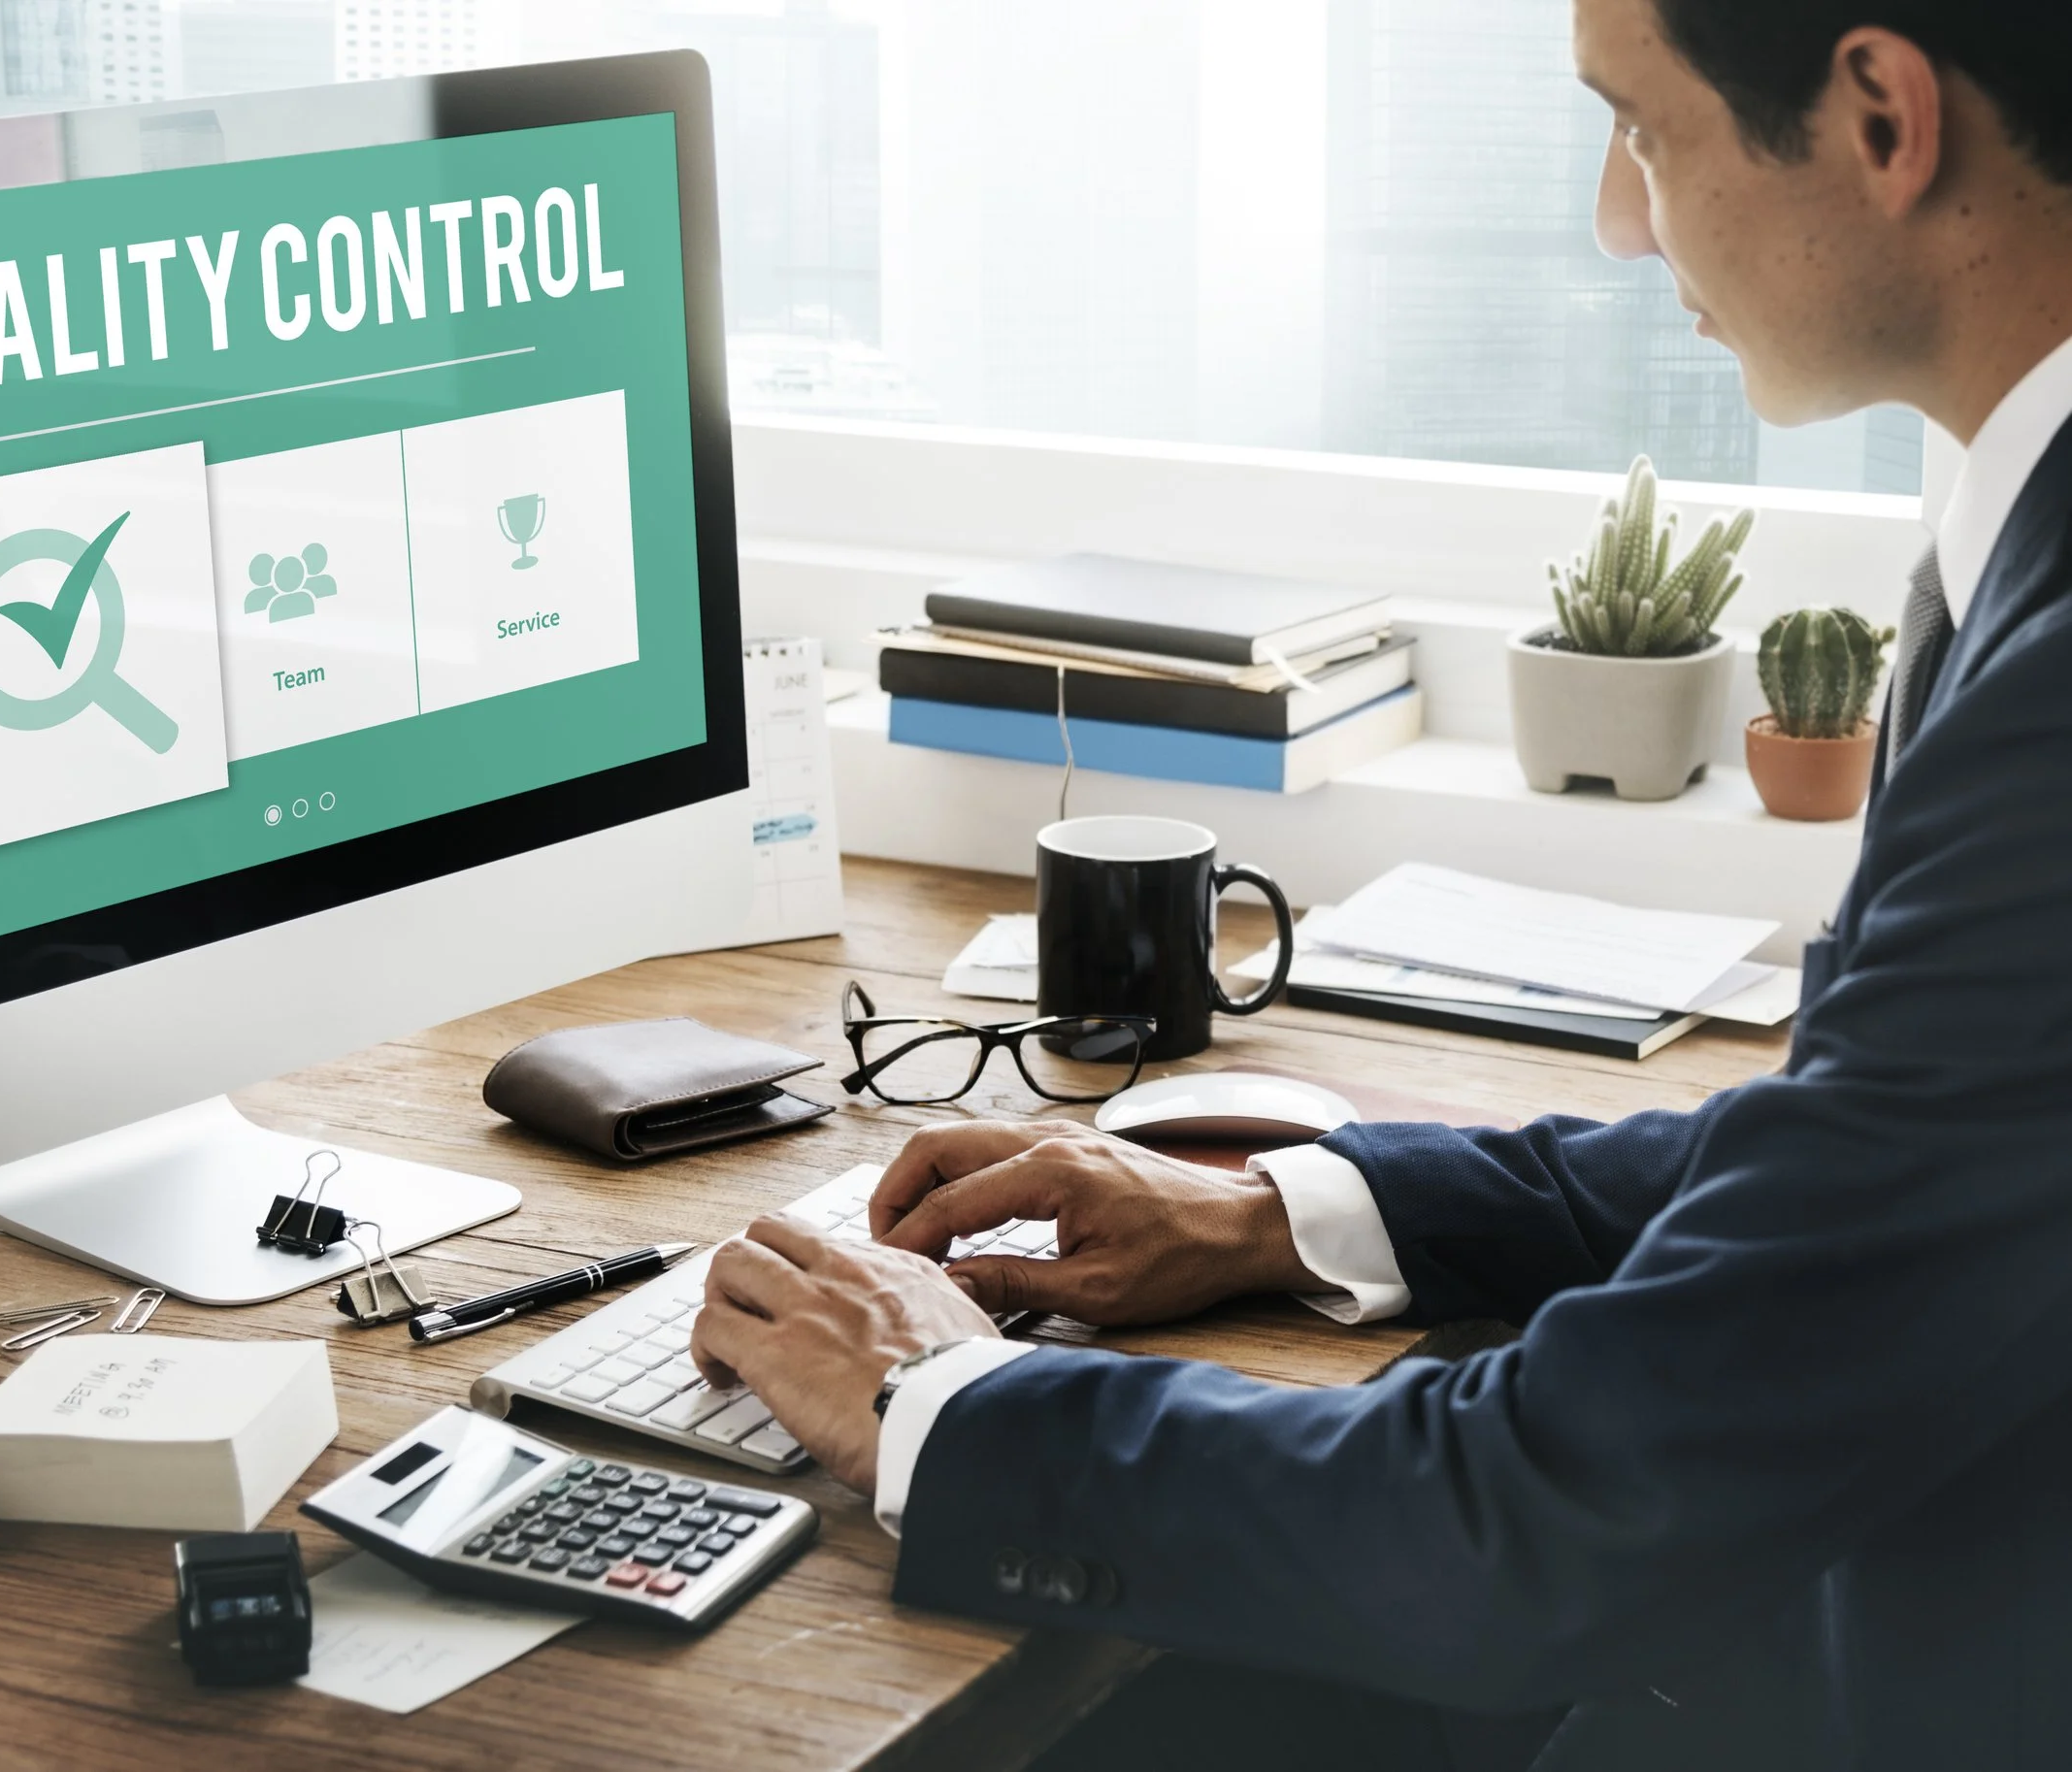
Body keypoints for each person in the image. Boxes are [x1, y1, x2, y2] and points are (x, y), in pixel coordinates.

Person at [688, 2, 2072, 1765]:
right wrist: (1293, 1212)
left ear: (1882, 116)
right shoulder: (2017, 529)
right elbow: (1873, 1151)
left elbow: (1549, 1518)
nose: (1616, 220)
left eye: (1638, 127)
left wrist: (936, 1398)